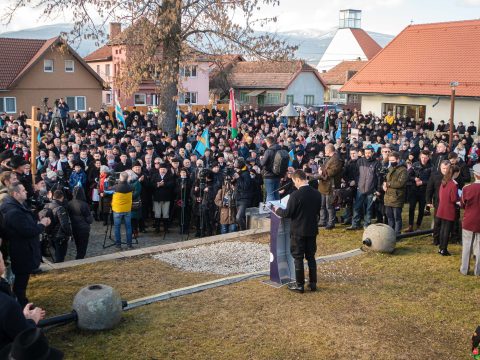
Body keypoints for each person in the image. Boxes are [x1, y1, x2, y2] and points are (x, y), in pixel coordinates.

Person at [0, 183, 50, 307]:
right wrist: (42, 224)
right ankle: (22, 304)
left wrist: (35, 218)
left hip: (22, 249)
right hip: (21, 251)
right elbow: (28, 231)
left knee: (21, 280)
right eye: (23, 190)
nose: (26, 192)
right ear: (16, 194)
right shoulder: (13, 211)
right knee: (21, 281)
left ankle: (21, 301)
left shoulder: (15, 206)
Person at [273, 170, 322, 293]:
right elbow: (317, 212)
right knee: (311, 257)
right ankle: (313, 283)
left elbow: (287, 213)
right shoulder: (317, 194)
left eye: (294, 181)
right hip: (311, 229)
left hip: (298, 231)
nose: (294, 184)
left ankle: (299, 285)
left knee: (298, 257)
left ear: (298, 180)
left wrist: (277, 209)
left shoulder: (295, 195)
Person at [0, 252, 46, 350]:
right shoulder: (7, 305)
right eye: (1, 258)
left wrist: (20, 317)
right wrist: (32, 319)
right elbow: (25, 337)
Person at [347, 146, 381, 230]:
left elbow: (379, 178)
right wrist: (358, 183)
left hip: (371, 189)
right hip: (360, 188)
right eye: (366, 153)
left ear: (373, 152)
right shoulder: (360, 161)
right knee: (357, 207)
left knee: (369, 208)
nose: (367, 154)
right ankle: (355, 224)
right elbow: (356, 173)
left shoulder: (377, 163)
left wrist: (377, 189)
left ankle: (367, 224)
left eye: (369, 153)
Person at [315, 144, 343, 230]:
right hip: (323, 186)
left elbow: (332, 172)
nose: (324, 151)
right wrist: (320, 169)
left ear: (329, 150)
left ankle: (331, 222)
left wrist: (321, 172)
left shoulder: (336, 159)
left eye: (325, 150)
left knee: (329, 206)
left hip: (331, 186)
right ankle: (323, 221)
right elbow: (324, 168)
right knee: (322, 205)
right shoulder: (328, 158)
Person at [459, 164, 480, 275]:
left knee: (467, 246)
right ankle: (478, 270)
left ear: (475, 175)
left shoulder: (467, 188)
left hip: (469, 220)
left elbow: (462, 204)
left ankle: (464, 269)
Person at [41, 190, 72, 263]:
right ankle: (59, 269)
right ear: (62, 197)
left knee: (57, 252)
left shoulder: (47, 205)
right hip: (60, 236)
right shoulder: (60, 208)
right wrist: (69, 234)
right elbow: (64, 224)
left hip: (50, 234)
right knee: (60, 256)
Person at [406, 150, 432, 232]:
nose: (424, 159)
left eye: (426, 158)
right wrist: (414, 179)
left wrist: (422, 182)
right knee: (411, 208)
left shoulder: (431, 166)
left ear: (428, 158)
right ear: (420, 157)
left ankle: (418, 226)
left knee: (421, 210)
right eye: (422, 157)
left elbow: (432, 180)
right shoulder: (415, 164)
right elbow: (408, 175)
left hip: (424, 191)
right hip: (414, 190)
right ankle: (410, 226)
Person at [436, 164, 459, 256]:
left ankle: (441, 248)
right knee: (447, 230)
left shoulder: (444, 181)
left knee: (442, 229)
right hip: (449, 209)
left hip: (442, 208)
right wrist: (459, 198)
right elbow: (453, 199)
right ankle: (444, 250)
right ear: (455, 173)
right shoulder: (453, 184)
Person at [106, 171, 133, 250]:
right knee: (128, 227)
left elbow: (107, 190)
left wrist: (108, 182)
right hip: (127, 209)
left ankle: (118, 245)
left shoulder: (115, 187)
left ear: (120, 178)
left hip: (117, 210)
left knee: (117, 227)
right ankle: (129, 245)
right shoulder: (131, 187)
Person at [383, 152, 408, 235]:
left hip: (397, 196)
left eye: (393, 160)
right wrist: (384, 184)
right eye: (390, 160)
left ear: (398, 159)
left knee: (397, 217)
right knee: (389, 217)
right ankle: (390, 232)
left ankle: (397, 233)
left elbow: (401, 183)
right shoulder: (390, 168)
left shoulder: (403, 170)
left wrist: (389, 184)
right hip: (388, 196)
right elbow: (386, 179)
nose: (391, 162)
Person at [67, 186, 93, 260]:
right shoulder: (84, 204)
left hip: (74, 227)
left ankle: (79, 257)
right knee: (83, 246)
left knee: (78, 244)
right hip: (83, 228)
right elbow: (89, 219)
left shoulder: (69, 203)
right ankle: (79, 258)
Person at [151, 162, 174, 234]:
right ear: (159, 169)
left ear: (166, 170)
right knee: (157, 214)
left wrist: (164, 184)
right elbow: (151, 184)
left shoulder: (170, 176)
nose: (162, 170)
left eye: (164, 169)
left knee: (165, 214)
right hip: (157, 198)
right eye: (161, 169)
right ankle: (157, 228)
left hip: (166, 198)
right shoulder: (155, 176)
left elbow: (172, 184)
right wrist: (157, 185)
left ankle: (166, 228)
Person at [260, 136, 282, 201]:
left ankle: (269, 210)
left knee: (270, 194)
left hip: (269, 175)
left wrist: (261, 159)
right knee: (276, 193)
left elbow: (262, 163)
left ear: (268, 142)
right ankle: (277, 209)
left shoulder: (268, 151)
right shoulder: (280, 149)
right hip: (278, 174)